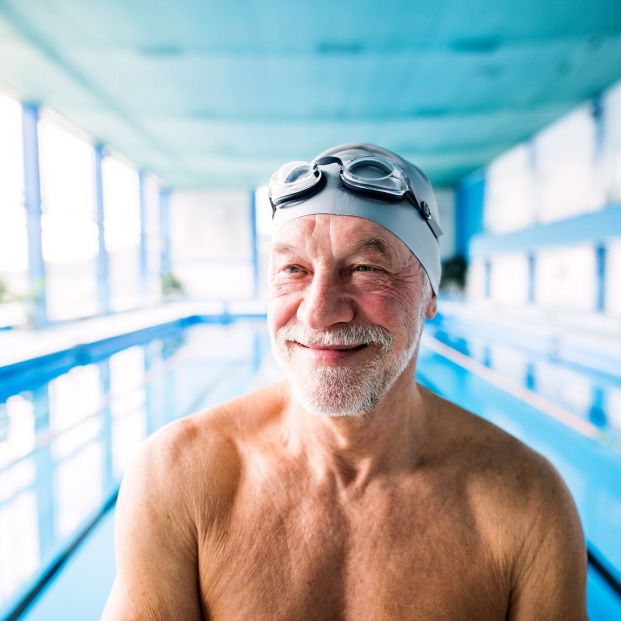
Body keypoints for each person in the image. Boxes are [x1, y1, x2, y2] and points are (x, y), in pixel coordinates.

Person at [101, 144, 588, 620]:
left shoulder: (526, 503)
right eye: (293, 269)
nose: (319, 310)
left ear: (430, 295)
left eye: (365, 269)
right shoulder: (179, 476)